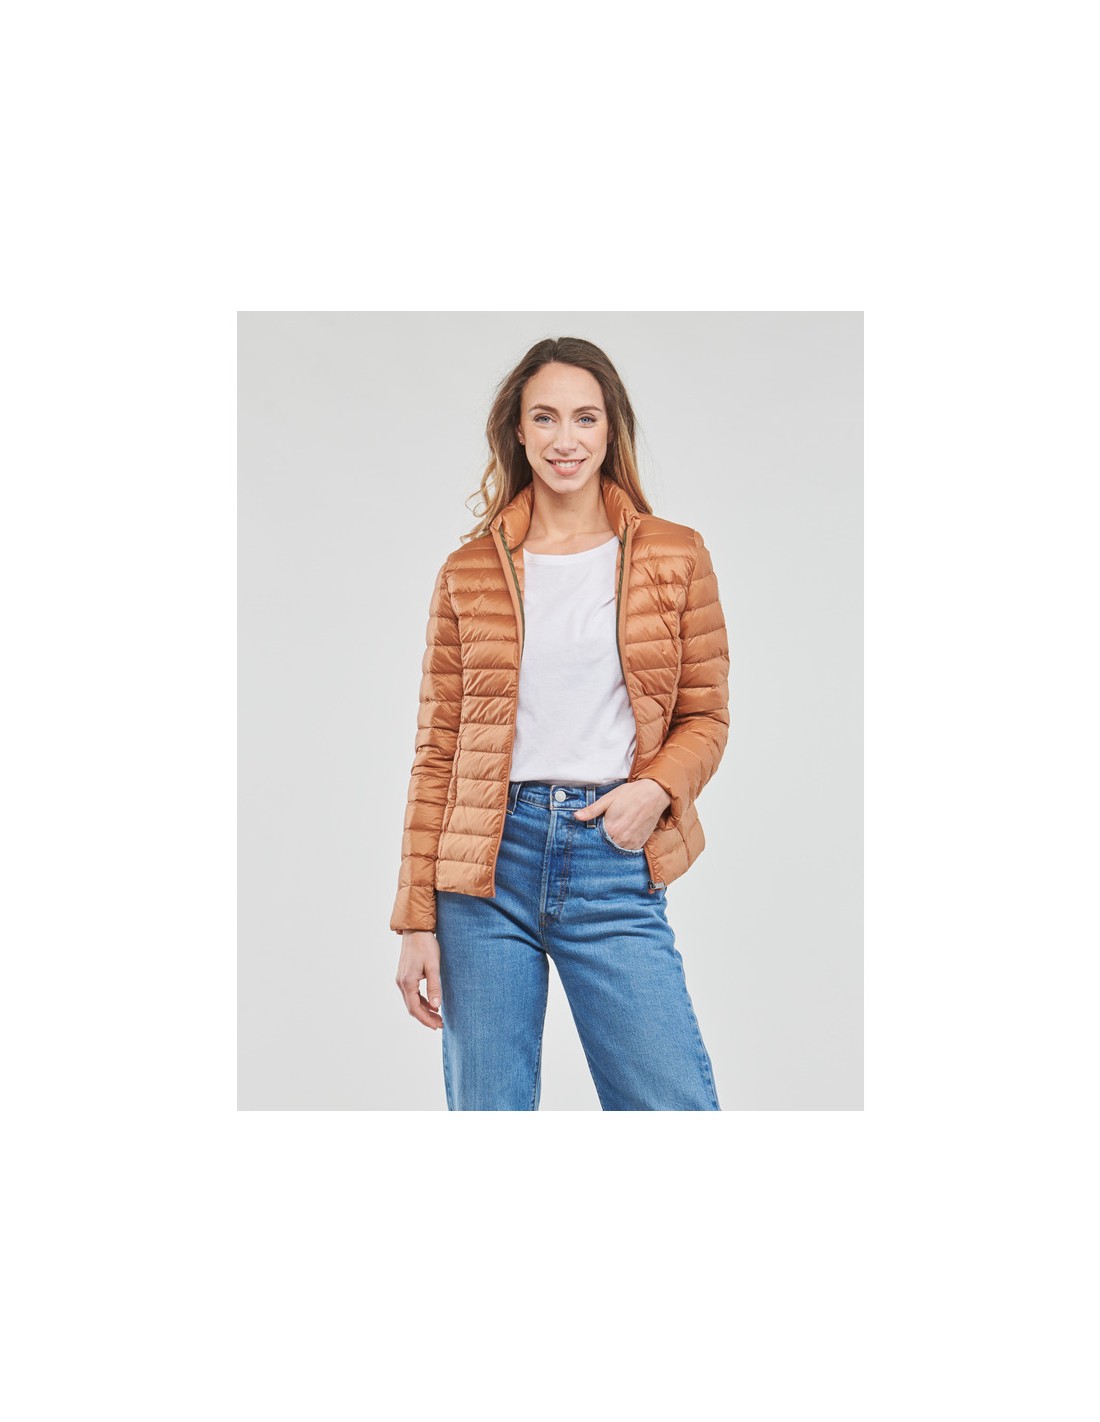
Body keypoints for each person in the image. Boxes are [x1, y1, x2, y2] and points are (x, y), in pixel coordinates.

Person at [391, 336, 731, 1110]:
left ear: (612, 429)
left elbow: (704, 715)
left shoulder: (675, 555)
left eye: (585, 418)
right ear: (518, 431)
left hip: (611, 857)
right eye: (544, 417)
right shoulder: (468, 571)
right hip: (484, 871)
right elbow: (437, 752)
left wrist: (654, 790)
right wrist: (416, 920)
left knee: (670, 1104)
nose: (564, 439)